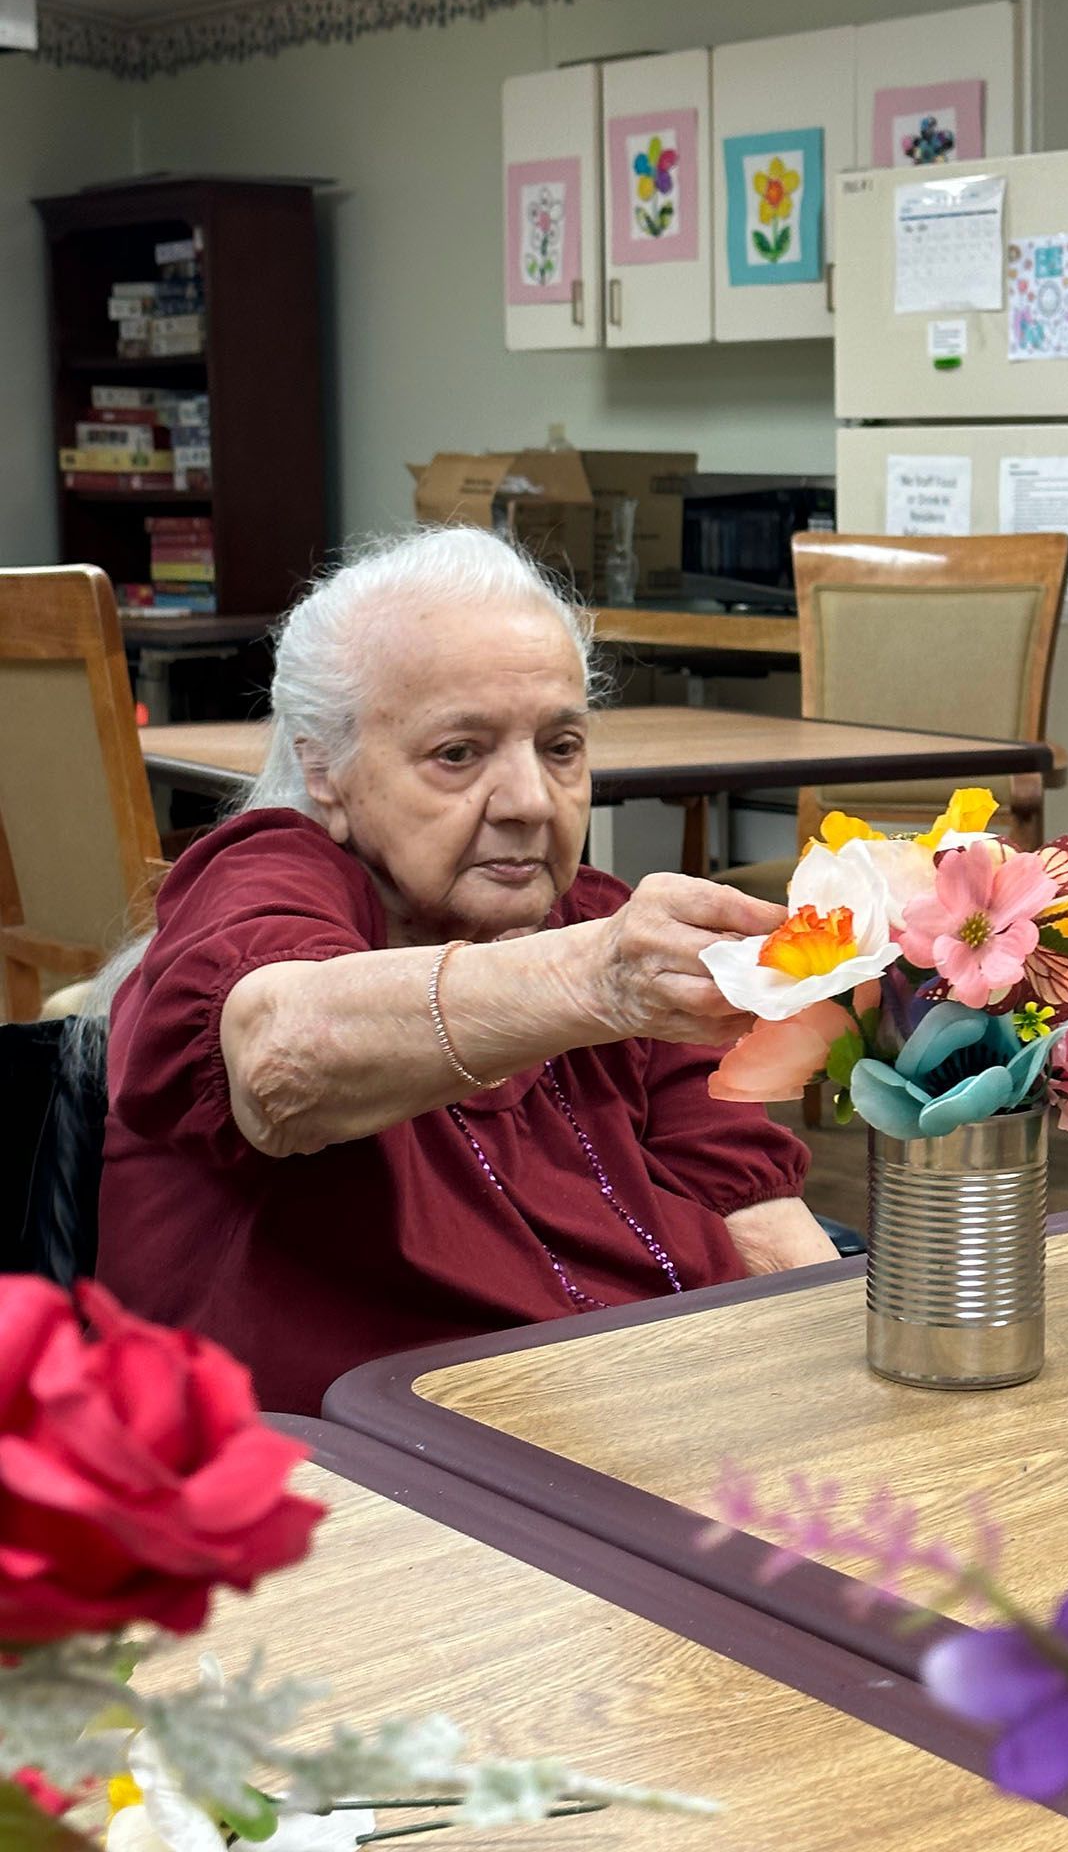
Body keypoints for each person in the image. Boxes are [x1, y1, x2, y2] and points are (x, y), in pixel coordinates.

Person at [96, 529, 835, 1413]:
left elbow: (759, 1224)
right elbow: (278, 1055)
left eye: (561, 747)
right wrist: (591, 984)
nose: (530, 802)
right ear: (324, 770)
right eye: (458, 754)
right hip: (369, 1493)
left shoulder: (595, 917)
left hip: (652, 1427)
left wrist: (838, 1407)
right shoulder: (269, 881)